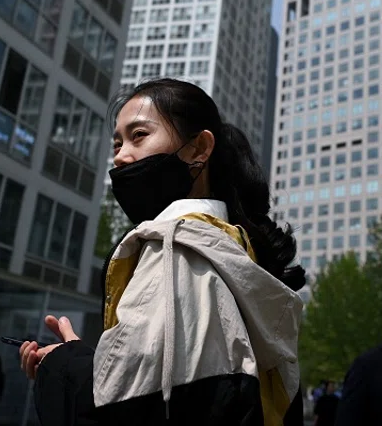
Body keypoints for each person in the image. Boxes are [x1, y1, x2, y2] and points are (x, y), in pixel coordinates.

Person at [19, 79, 307, 425]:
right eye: (116, 143)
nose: (121, 157)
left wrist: (62, 364)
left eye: (139, 135)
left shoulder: (176, 250)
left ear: (199, 148)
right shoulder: (233, 253)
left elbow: (128, 412)